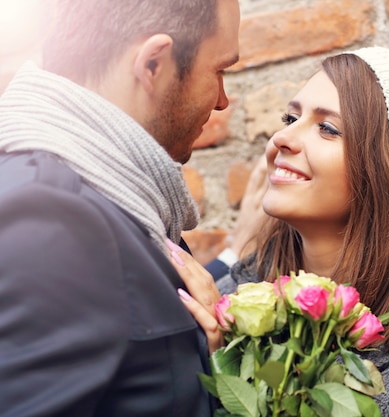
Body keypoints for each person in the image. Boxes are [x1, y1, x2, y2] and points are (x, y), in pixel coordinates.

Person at [175, 46, 389, 416]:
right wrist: (223, 360)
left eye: (327, 128)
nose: (282, 138)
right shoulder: (230, 305)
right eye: (290, 118)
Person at [0, 0, 239, 415]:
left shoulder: (115, 203)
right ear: (153, 64)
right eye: (219, 70)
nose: (222, 101)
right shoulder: (52, 220)